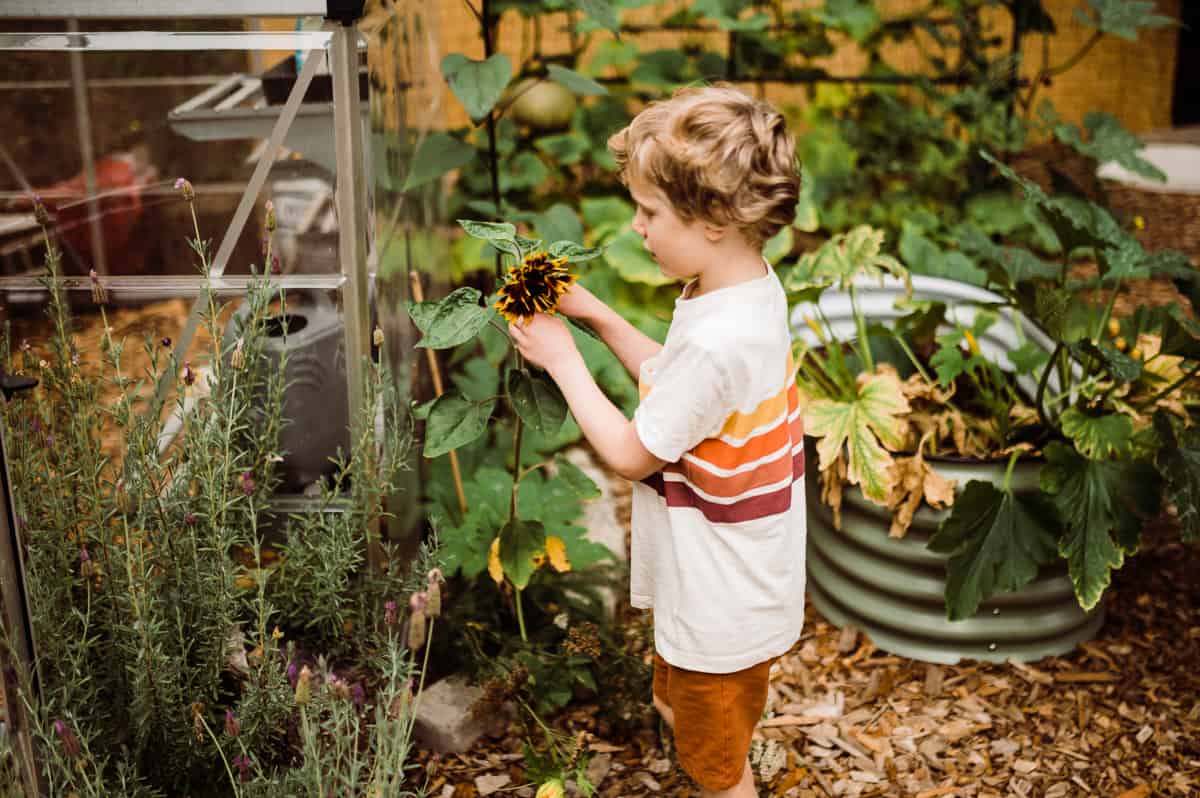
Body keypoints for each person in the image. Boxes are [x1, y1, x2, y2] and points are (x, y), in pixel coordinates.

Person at [508, 83, 806, 798]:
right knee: (682, 705)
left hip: (719, 605)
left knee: (718, 768)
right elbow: (675, 382)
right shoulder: (741, 291)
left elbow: (634, 451)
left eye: (649, 212)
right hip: (733, 584)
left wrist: (563, 359)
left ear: (711, 221)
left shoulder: (719, 339)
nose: (637, 228)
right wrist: (595, 314)